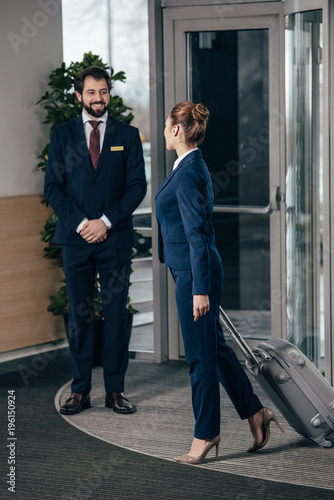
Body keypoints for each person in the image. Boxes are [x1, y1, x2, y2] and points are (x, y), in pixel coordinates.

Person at [155, 101, 284, 464]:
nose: (165, 131)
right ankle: (256, 413)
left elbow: (198, 234)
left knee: (200, 358)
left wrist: (199, 289)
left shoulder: (189, 170)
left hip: (195, 275)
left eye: (167, 125)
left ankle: (206, 433)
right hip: (191, 271)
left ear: (177, 130)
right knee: (216, 349)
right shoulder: (188, 166)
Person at [45, 66, 146, 415]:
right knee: (80, 315)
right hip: (75, 240)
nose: (98, 98)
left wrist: (104, 221)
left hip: (114, 238)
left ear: (109, 94)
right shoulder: (61, 135)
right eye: (91, 92)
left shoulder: (128, 135)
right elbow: (52, 189)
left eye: (103, 91)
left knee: (116, 314)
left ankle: (115, 391)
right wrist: (83, 224)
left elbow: (137, 187)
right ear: (78, 96)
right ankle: (80, 390)